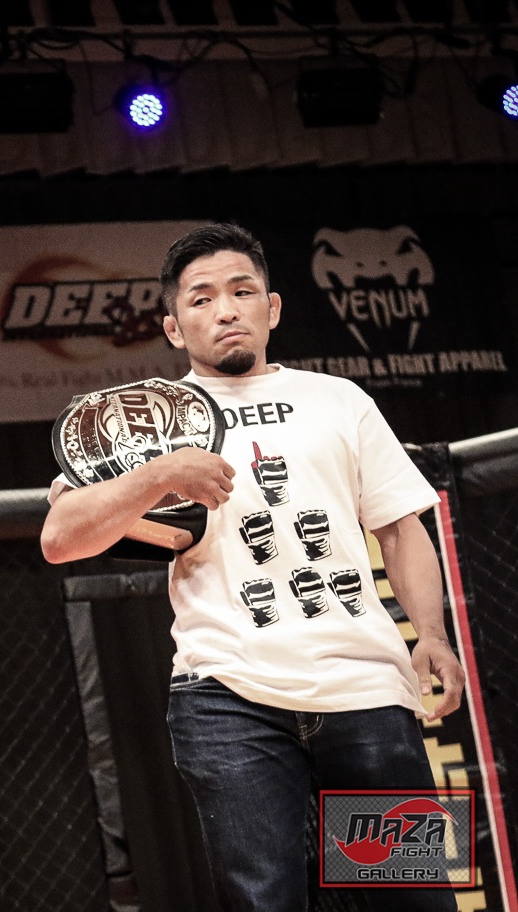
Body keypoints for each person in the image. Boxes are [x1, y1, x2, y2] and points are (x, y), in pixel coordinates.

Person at [39, 223, 465, 912]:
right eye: (202, 298)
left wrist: (433, 635)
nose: (226, 310)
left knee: (409, 897)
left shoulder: (340, 400)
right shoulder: (143, 418)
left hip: (365, 685)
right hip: (226, 695)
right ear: (173, 327)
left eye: (242, 292)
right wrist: (160, 473)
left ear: (272, 309)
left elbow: (399, 526)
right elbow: (60, 539)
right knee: (263, 902)